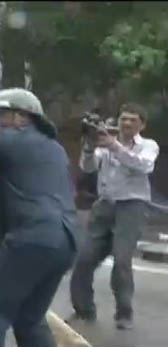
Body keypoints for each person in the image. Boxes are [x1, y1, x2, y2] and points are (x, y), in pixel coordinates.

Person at [0, 88, 80, 347]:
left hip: (32, 236)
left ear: (22, 117)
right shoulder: (55, 148)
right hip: (67, 240)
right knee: (29, 318)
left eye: (3, 114)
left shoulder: (8, 141)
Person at [68, 103, 160, 330]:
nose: (127, 123)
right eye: (124, 119)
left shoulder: (148, 145)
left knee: (121, 261)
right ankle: (83, 310)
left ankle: (124, 313)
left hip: (132, 206)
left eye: (132, 120)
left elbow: (145, 166)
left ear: (142, 125)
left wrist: (116, 147)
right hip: (104, 206)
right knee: (83, 259)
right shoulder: (106, 142)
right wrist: (89, 147)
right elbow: (88, 168)